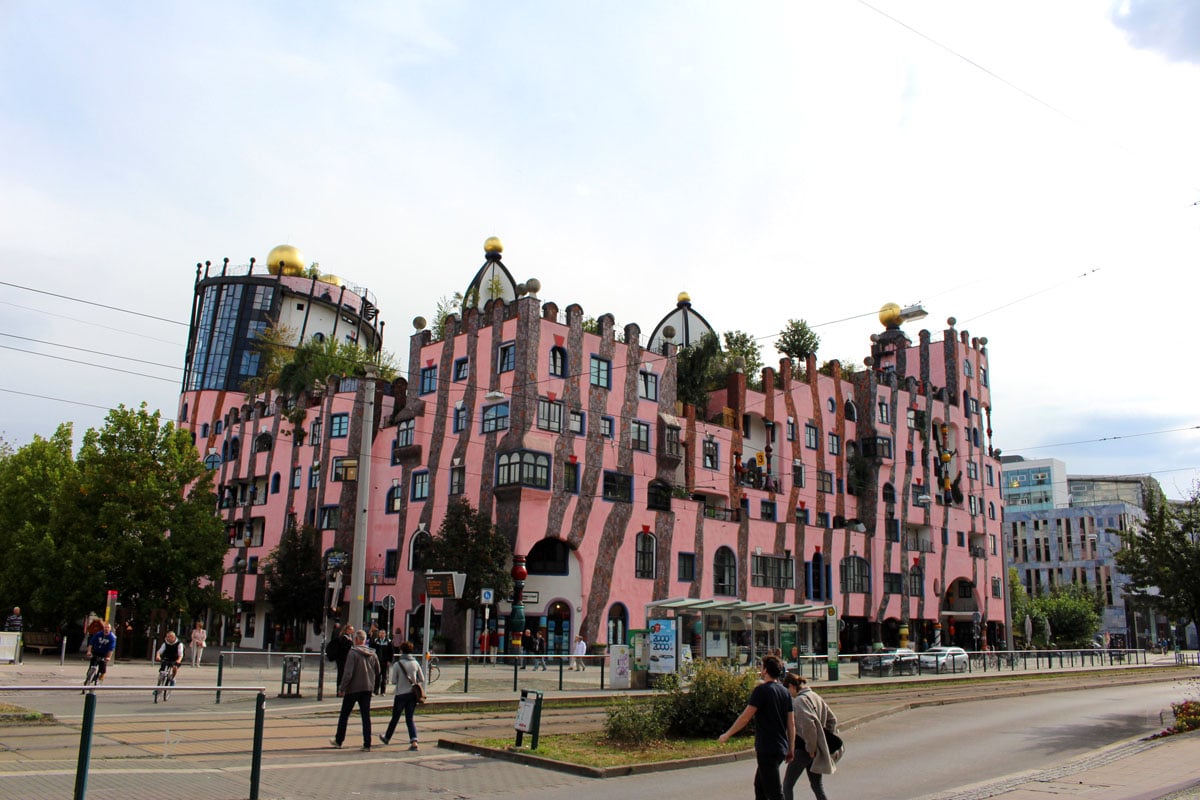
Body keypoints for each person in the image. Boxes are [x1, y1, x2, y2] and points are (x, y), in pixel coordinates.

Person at [718, 654, 795, 800]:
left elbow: (745, 717)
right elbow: (791, 724)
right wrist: (791, 748)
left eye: (761, 666)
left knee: (775, 793)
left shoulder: (762, 691)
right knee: (760, 786)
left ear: (765, 670)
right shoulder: (785, 692)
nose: (760, 669)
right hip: (780, 748)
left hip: (767, 748)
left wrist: (727, 734)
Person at [782, 673, 839, 800]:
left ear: (791, 686)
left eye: (787, 690)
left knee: (787, 785)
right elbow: (832, 719)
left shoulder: (799, 701)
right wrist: (824, 738)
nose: (788, 694)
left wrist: (811, 748)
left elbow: (809, 726)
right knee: (817, 785)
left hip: (804, 749)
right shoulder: (815, 696)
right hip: (816, 749)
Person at [330, 629, 380, 751]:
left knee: (344, 715)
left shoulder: (353, 653)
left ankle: (339, 740)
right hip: (367, 688)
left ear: (357, 640)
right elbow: (378, 670)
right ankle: (367, 744)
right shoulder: (373, 653)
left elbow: (348, 673)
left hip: (353, 688)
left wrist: (342, 688)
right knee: (365, 716)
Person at [380, 640, 424, 750]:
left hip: (400, 694)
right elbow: (422, 678)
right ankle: (414, 741)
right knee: (410, 718)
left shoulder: (397, 664)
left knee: (395, 717)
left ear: (401, 651)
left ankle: (387, 737)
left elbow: (394, 681)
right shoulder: (415, 663)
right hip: (412, 695)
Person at [155, 631, 184, 701]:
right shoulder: (165, 643)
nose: (168, 638)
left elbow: (181, 655)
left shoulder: (179, 644)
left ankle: (173, 679)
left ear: (173, 637)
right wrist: (158, 656)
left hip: (175, 658)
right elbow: (159, 651)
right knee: (162, 671)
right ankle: (158, 686)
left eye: (170, 637)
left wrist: (178, 660)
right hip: (167, 658)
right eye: (167, 637)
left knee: (174, 667)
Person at [326, 624, 355, 690]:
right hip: (342, 659)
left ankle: (343, 688)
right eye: (351, 629)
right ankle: (339, 689)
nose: (352, 631)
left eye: (352, 629)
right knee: (341, 674)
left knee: (346, 674)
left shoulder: (349, 638)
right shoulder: (343, 638)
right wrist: (349, 643)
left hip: (347, 659)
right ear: (347, 630)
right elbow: (344, 648)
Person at [370, 627, 394, 695]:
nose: (381, 634)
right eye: (380, 633)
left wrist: (390, 660)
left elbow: (391, 652)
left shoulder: (388, 642)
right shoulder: (376, 641)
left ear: (385, 634)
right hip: (377, 661)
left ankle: (383, 691)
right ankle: (375, 691)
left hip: (385, 661)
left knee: (384, 676)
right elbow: (371, 648)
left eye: (383, 633)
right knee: (377, 676)